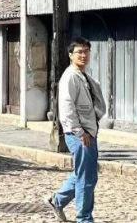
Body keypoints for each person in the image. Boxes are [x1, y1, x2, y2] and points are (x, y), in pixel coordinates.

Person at [45, 37, 106, 223]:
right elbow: (66, 108)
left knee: (86, 173)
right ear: (71, 55)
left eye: (86, 51)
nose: (84, 55)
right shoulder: (70, 76)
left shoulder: (83, 76)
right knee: (86, 178)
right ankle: (84, 218)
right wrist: (80, 132)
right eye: (79, 52)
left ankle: (57, 200)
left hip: (89, 131)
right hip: (80, 134)